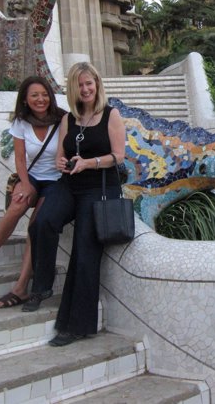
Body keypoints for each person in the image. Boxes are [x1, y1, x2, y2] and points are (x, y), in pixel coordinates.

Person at [25, 62, 126, 348]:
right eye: (80, 85)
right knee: (42, 221)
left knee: (84, 252)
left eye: (89, 83)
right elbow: (61, 155)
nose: (85, 89)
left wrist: (90, 163)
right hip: (70, 184)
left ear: (97, 84)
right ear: (73, 88)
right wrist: (62, 162)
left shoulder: (111, 114)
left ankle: (77, 326)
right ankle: (42, 287)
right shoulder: (69, 119)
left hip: (99, 187)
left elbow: (119, 156)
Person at [0, 76, 65, 309]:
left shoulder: (62, 119)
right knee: (17, 204)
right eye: (34, 95)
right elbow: (19, 157)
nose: (40, 99)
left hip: (56, 181)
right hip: (33, 176)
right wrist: (25, 185)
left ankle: (21, 287)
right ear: (25, 99)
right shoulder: (21, 122)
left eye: (44, 94)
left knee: (35, 226)